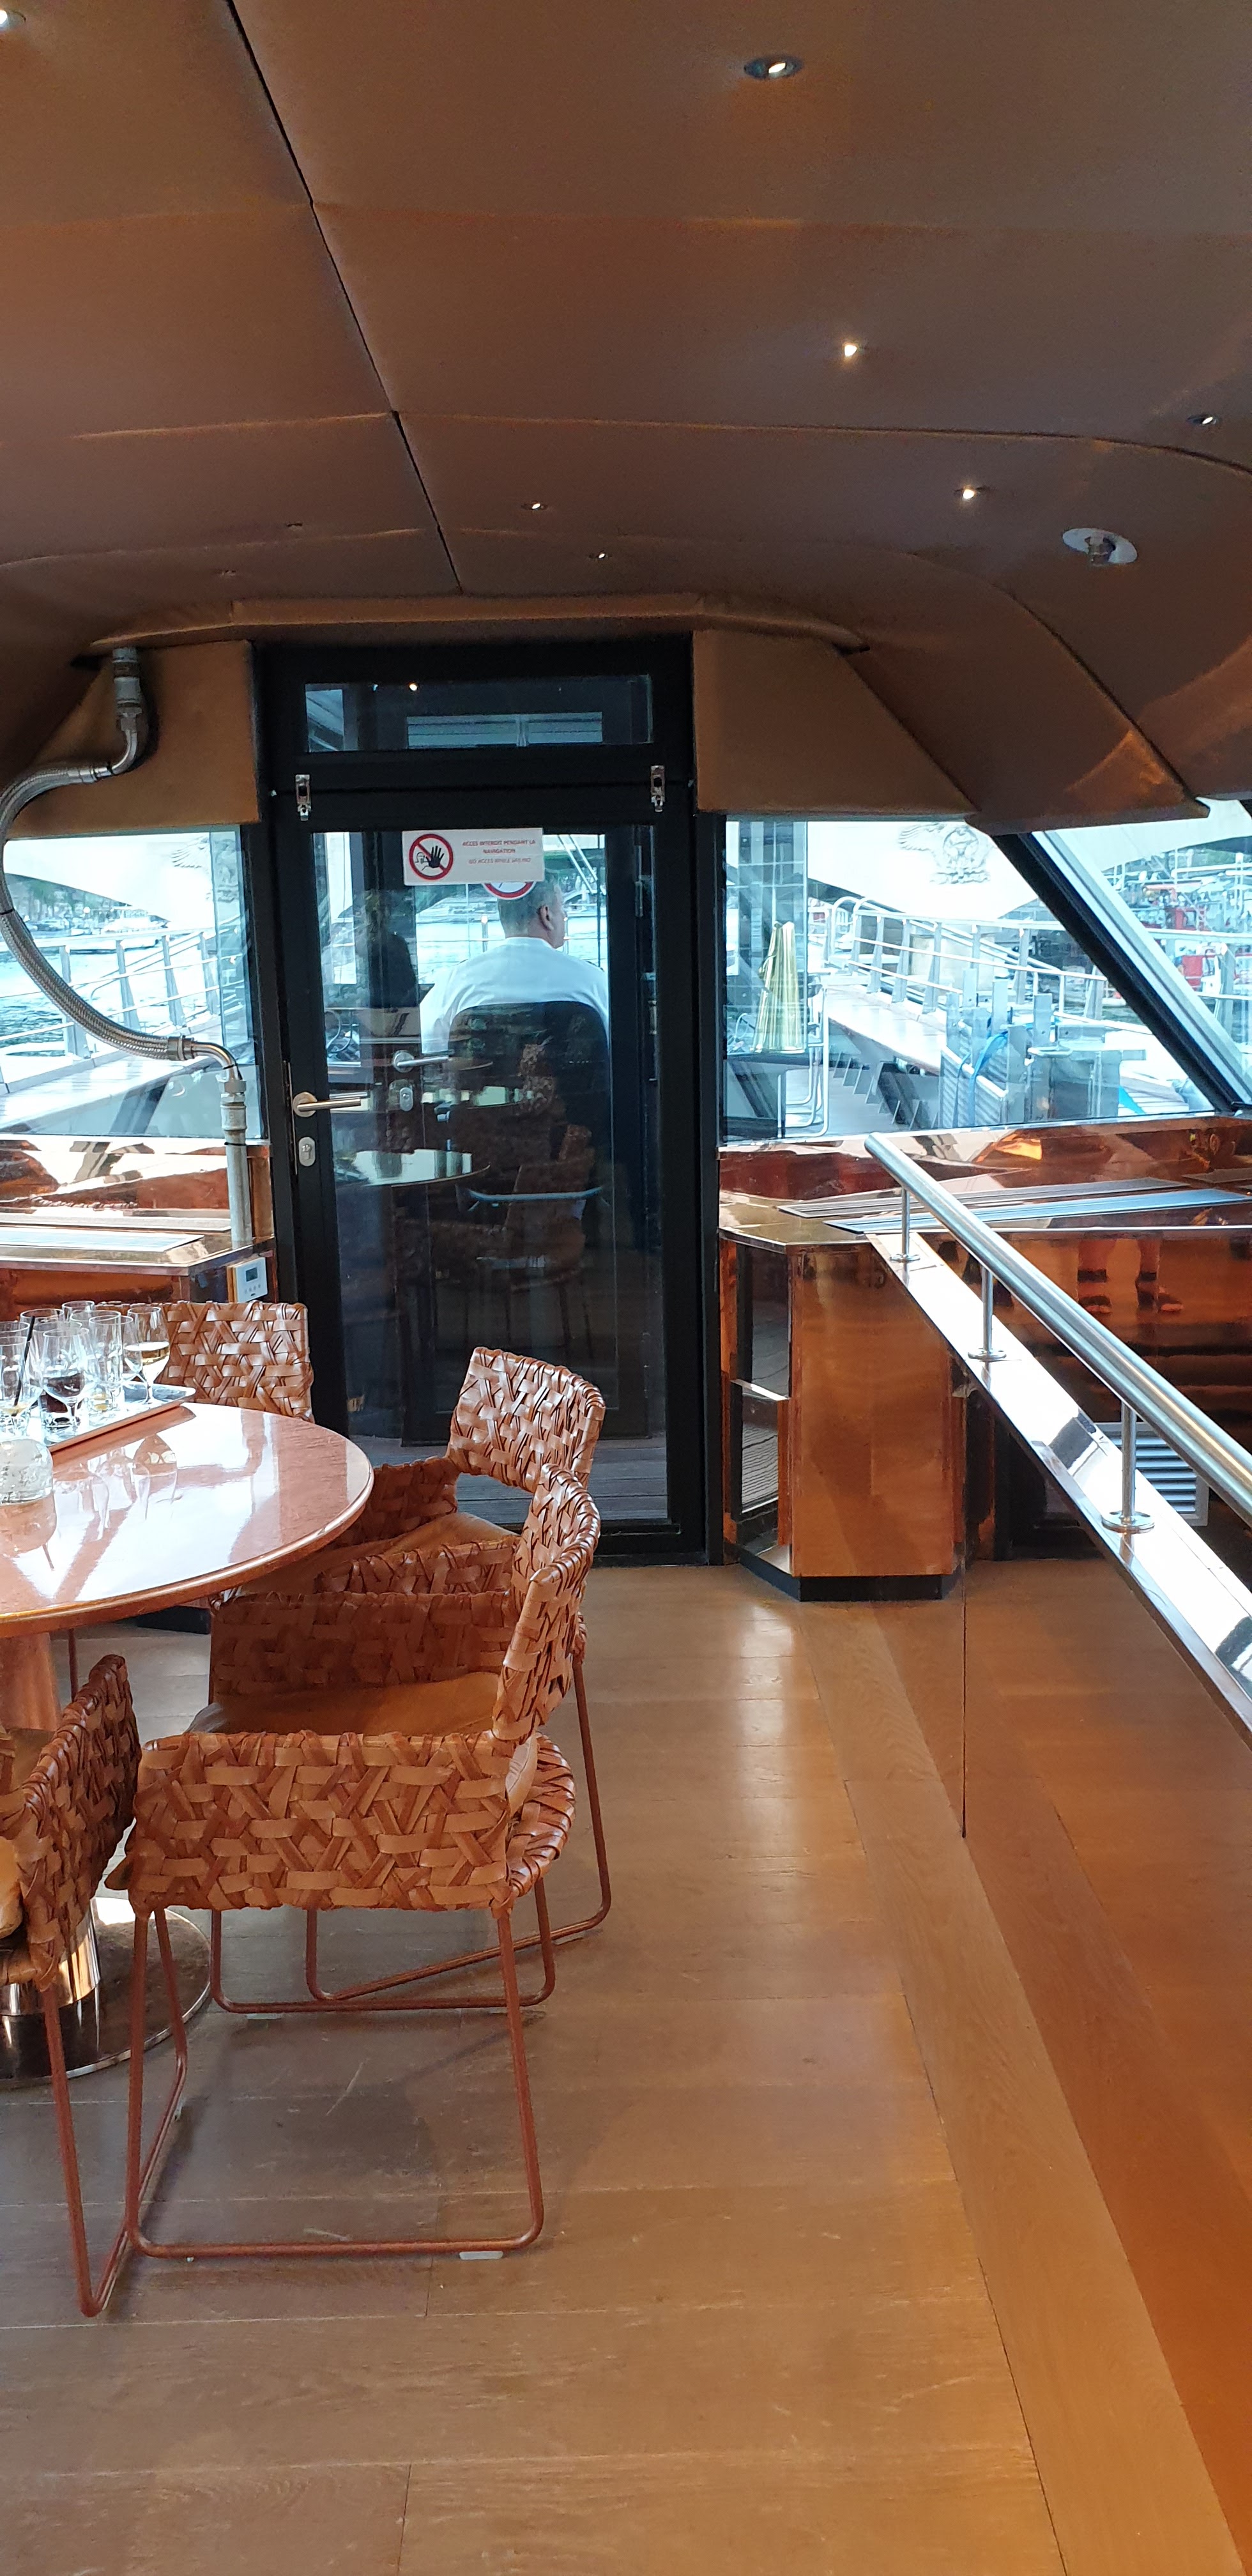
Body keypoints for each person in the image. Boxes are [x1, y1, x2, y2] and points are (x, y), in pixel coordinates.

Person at [420, 879, 610, 1054]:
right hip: (572, 1081)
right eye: (562, 908)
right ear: (546, 915)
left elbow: (427, 1051)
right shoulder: (593, 981)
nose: (565, 915)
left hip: (479, 1081)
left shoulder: (454, 983)